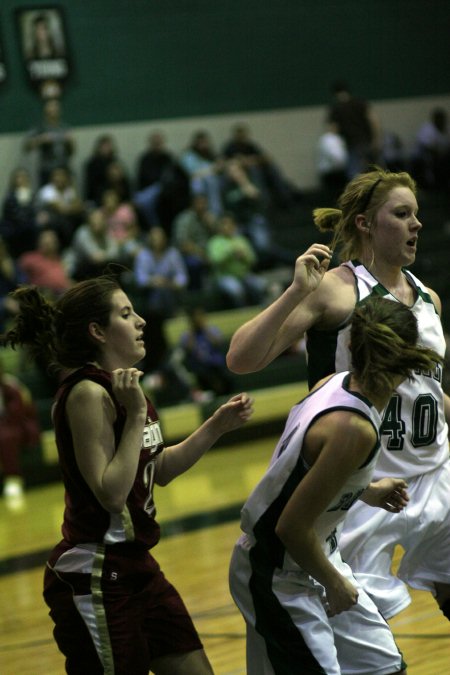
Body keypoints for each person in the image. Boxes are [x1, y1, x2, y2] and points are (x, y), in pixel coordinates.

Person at [227, 166, 450, 623]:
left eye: (417, 214)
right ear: (365, 224)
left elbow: (426, 394)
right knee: (365, 639)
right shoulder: (336, 290)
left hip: (436, 476)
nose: (417, 224)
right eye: (402, 214)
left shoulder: (428, 298)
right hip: (363, 490)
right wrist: (294, 293)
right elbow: (241, 360)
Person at [1, 274, 253, 675]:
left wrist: (216, 426)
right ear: (97, 331)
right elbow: (112, 495)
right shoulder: (88, 394)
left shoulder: (126, 389)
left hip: (138, 568)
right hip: (98, 574)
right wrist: (135, 413)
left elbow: (159, 469)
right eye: (126, 313)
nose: (141, 321)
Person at [230, 296, 441, 674]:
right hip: (277, 570)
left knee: (385, 667)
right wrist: (335, 583)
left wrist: (368, 490)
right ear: (410, 356)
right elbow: (290, 526)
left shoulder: (336, 382)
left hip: (315, 557)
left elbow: (300, 476)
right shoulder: (353, 428)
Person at [0, 358, 41, 510]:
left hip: (17, 426)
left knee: (5, 437)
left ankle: (13, 479)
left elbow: (18, 413)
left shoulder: (11, 385)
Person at [207, 212, 266, 308]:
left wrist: (244, 257)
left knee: (260, 285)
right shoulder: (215, 242)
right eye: (224, 224)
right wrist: (231, 252)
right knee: (236, 290)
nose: (227, 226)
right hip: (225, 276)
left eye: (229, 224)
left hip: (244, 274)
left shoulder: (241, 240)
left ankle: (261, 310)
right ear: (219, 227)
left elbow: (253, 260)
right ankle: (242, 313)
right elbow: (215, 261)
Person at [328, 80, 380, 178]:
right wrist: (376, 139)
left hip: (351, 145)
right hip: (367, 142)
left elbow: (333, 129)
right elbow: (374, 121)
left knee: (355, 176)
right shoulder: (360, 103)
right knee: (376, 172)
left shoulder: (336, 108)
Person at [24, 97, 75, 186]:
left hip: (64, 167)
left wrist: (70, 142)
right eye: (51, 107)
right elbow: (26, 147)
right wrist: (40, 140)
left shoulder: (64, 127)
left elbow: (72, 151)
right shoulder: (39, 127)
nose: (53, 110)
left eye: (56, 107)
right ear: (45, 110)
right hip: (47, 170)